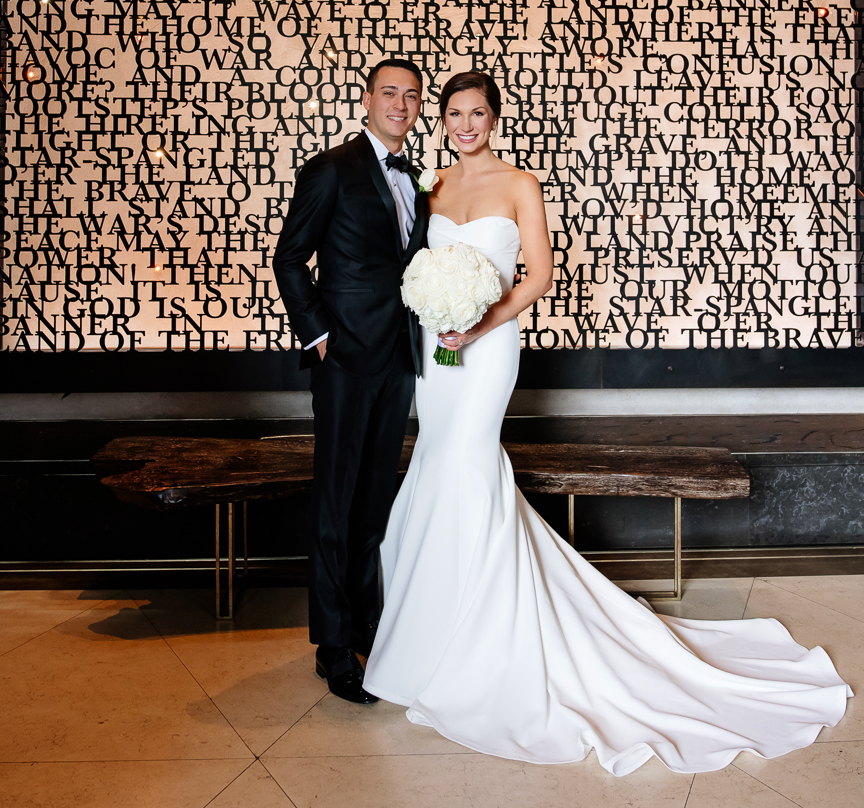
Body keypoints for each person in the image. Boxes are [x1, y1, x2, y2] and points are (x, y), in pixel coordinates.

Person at [362, 69, 851, 774]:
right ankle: (427, 631)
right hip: (437, 355)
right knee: (437, 460)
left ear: (494, 119)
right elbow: (412, 267)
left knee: (467, 462)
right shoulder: (431, 187)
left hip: (488, 347)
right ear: (442, 121)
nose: (465, 125)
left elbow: (538, 276)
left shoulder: (519, 184)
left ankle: (475, 640)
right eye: (454, 114)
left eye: (477, 113)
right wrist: (436, 313)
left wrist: (480, 322)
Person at [273, 58, 428, 705]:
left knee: (372, 504)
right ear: (366, 100)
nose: (400, 104)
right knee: (335, 505)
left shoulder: (416, 177)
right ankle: (333, 647)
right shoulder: (331, 168)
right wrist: (319, 335)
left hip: (398, 359)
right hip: (343, 360)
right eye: (389, 93)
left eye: (411, 96)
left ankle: (367, 623)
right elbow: (289, 257)